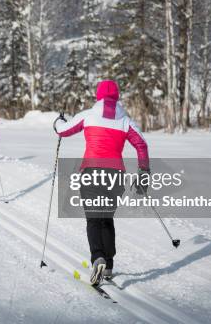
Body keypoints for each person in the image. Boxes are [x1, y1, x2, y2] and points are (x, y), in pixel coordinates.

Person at [54, 80, 149, 284]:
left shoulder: (88, 115)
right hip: (115, 177)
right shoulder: (125, 121)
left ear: (98, 95)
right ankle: (109, 265)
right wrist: (144, 171)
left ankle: (97, 257)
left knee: (93, 219)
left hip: (91, 172)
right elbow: (142, 145)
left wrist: (58, 121)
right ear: (117, 96)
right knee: (106, 219)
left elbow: (63, 131)